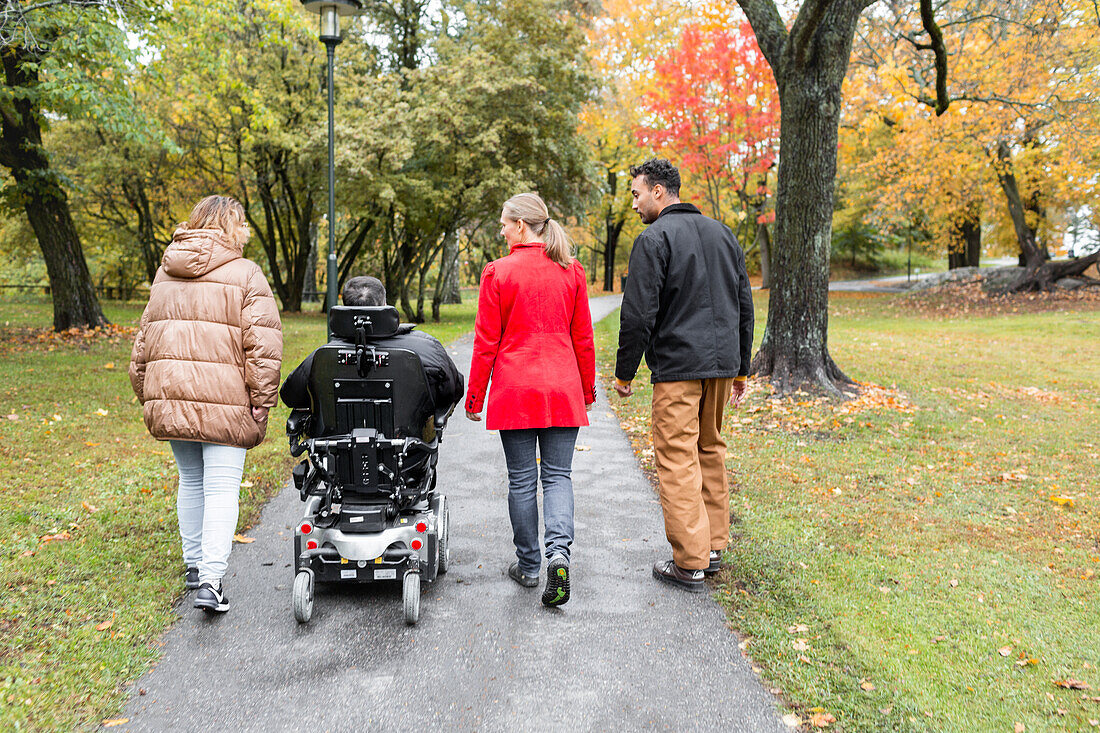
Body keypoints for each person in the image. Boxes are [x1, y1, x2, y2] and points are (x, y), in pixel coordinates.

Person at [129, 195, 283, 614]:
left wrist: (145, 388)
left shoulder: (165, 272)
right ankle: (211, 581)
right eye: (243, 224)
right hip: (225, 401)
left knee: (191, 482)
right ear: (231, 226)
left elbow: (143, 339)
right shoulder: (246, 274)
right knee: (220, 488)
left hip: (172, 395)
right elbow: (263, 347)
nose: (247, 232)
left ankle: (195, 567)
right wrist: (262, 399)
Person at [613, 159, 754, 593]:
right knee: (709, 449)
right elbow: (744, 303)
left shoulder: (654, 238)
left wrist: (624, 373)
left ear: (659, 191)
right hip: (721, 366)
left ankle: (689, 562)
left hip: (678, 369)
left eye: (637, 194)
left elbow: (638, 313)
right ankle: (710, 547)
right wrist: (741, 369)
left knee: (675, 457)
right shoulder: (723, 234)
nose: (634, 204)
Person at [465, 192, 596, 607]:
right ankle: (559, 554)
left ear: (521, 226)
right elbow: (583, 339)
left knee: (522, 480)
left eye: (504, 224)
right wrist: (588, 390)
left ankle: (529, 565)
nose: (501, 231)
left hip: (514, 390)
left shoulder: (498, 273)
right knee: (558, 477)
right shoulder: (571, 271)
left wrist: (474, 397)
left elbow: (486, 342)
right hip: (562, 388)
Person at [279, 276, 464, 418]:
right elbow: (452, 389)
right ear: (385, 305)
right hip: (409, 454)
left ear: (346, 310)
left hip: (338, 459)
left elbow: (290, 396)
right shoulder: (426, 348)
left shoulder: (322, 357)